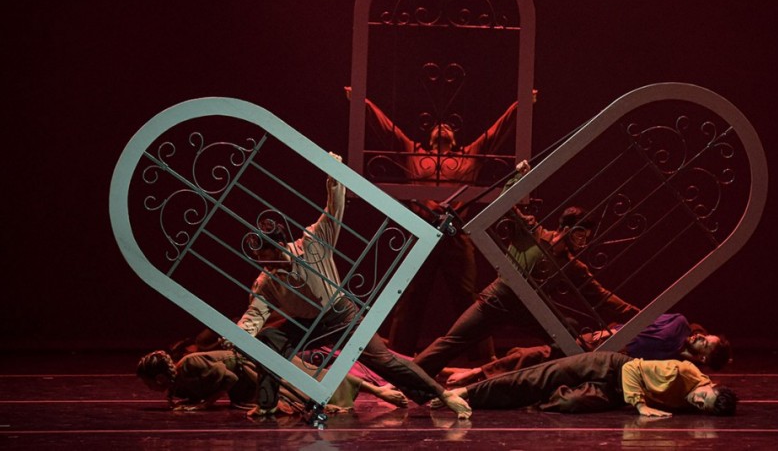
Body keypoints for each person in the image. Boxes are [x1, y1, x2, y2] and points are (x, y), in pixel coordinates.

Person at [234, 152, 471, 419]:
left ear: (277, 246)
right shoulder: (266, 282)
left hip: (342, 314)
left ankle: (442, 394)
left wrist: (334, 177)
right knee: (268, 339)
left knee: (383, 360)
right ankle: (268, 404)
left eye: (265, 257)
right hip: (307, 324)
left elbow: (333, 210)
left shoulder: (312, 244)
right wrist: (241, 335)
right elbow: (255, 315)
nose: (263, 265)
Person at [412, 161, 640, 378]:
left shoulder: (571, 266)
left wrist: (640, 316)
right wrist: (516, 178)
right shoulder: (532, 232)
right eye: (581, 235)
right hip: (498, 298)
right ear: (568, 228)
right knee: (453, 341)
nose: (583, 243)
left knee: (569, 333)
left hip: (529, 309)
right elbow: (505, 205)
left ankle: (530, 374)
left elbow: (603, 297)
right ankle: (406, 377)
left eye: (587, 238)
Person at [347, 86, 528, 357]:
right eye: (437, 126)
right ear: (430, 137)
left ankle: (485, 358)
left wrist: (522, 104)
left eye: (447, 126)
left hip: (456, 234)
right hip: (423, 232)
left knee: (468, 298)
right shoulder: (415, 153)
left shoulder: (467, 156)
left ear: (454, 138)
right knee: (410, 296)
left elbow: (496, 132)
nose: (442, 127)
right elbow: (388, 130)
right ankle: (398, 358)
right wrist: (361, 101)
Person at [445, 313, 732, 386]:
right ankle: (474, 373)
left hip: (604, 366)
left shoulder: (679, 366)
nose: (701, 338)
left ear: (705, 357)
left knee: (539, 368)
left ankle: (475, 372)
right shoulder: (678, 324)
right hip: (600, 344)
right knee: (540, 355)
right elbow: (637, 320)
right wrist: (603, 334)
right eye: (705, 336)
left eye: (707, 343)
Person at [440, 351, 738, 417]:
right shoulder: (681, 372)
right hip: (611, 367)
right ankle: (464, 393)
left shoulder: (694, 402)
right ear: (709, 384)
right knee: (537, 377)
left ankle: (522, 398)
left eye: (703, 407)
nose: (697, 402)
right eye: (703, 397)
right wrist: (641, 405)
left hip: (615, 393)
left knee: (569, 403)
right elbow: (634, 368)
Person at [136, 349, 408, 413]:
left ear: (159, 377)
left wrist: (203, 406)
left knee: (305, 381)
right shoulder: (178, 383)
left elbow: (227, 378)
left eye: (149, 383)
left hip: (251, 370)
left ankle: (379, 390)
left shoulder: (191, 364)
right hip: (246, 384)